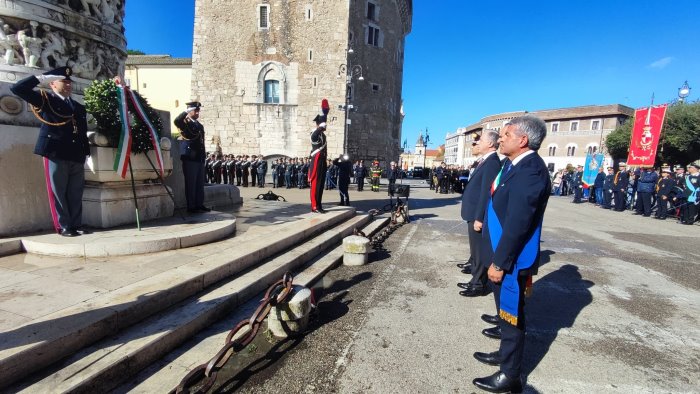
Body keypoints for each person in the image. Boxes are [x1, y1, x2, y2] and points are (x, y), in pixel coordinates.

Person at [472, 115, 551, 393]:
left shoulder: (531, 171)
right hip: (502, 251)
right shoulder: (515, 165)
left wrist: (500, 261)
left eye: (506, 135)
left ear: (523, 140)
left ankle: (510, 375)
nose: (500, 139)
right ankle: (505, 356)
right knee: (505, 313)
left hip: (511, 258)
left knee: (512, 314)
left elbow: (518, 222)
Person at [10, 66, 90, 236]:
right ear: (53, 84)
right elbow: (17, 88)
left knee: (75, 192)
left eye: (70, 82)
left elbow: (81, 131)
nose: (68, 85)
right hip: (56, 153)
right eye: (64, 82)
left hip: (76, 154)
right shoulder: (45, 100)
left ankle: (76, 224)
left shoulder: (78, 107)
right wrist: (41, 78)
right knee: (58, 192)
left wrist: (85, 152)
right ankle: (64, 226)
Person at [458, 129, 501, 297]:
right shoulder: (485, 161)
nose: (477, 143)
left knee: (478, 252)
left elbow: (486, 193)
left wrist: (479, 217)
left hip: (477, 215)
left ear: (490, 143)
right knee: (475, 252)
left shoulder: (491, 162)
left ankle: (479, 285)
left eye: (481, 140)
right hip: (472, 212)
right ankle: (474, 280)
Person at [174, 101, 211, 214]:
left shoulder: (199, 125)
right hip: (190, 157)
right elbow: (176, 121)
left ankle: (199, 204)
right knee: (191, 182)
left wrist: (204, 155)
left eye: (198, 110)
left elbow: (201, 142)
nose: (198, 112)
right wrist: (186, 111)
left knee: (199, 182)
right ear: (190, 111)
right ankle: (191, 206)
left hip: (199, 157)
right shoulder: (185, 122)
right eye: (195, 110)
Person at [308, 113, 328, 213]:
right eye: (324, 124)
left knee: (320, 185)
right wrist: (320, 128)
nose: (325, 126)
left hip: (322, 161)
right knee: (316, 184)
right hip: (316, 161)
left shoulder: (323, 135)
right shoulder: (314, 134)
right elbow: (314, 136)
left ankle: (319, 205)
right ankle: (314, 206)